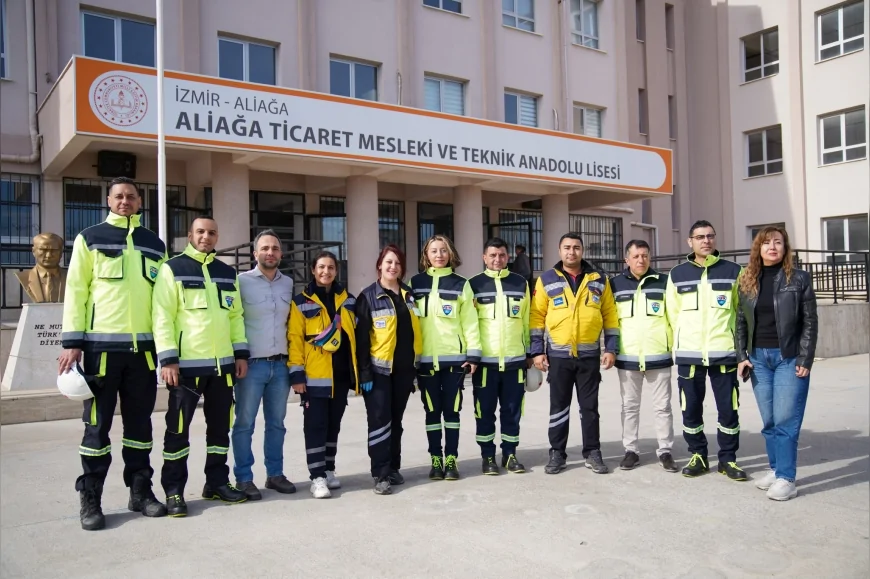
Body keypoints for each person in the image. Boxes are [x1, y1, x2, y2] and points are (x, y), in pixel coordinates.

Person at [59, 176, 168, 530]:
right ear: (109, 200)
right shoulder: (89, 238)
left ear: (140, 202)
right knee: (96, 428)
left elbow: (165, 303)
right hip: (101, 350)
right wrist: (72, 342)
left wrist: (167, 350)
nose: (125, 201)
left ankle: (140, 492)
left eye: (131, 197)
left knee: (140, 427)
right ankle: (91, 498)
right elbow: (76, 289)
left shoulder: (155, 244)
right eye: (119, 196)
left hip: (144, 354)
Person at [153, 216, 250, 516]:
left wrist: (240, 354)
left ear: (217, 236)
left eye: (211, 232)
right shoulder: (173, 268)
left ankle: (217, 484)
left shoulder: (226, 272)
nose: (206, 237)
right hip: (186, 369)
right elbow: (162, 316)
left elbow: (235, 317)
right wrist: (168, 359)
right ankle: (174, 491)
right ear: (190, 235)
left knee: (220, 430)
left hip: (223, 368)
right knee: (178, 432)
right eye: (200, 232)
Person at [736, 226, 817, 501]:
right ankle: (775, 468)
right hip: (758, 359)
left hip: (788, 358)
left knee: (785, 420)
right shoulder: (748, 279)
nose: (772, 247)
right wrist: (742, 356)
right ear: (758, 248)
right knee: (769, 420)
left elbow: (809, 322)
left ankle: (786, 478)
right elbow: (740, 321)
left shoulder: (799, 278)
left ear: (785, 248)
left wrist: (805, 358)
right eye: (767, 242)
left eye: (778, 242)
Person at [531, 232, 618, 475]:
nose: (572, 252)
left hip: (589, 356)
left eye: (576, 247)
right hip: (558, 356)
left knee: (589, 408)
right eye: (567, 247)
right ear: (559, 251)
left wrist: (610, 348)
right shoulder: (546, 279)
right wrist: (537, 351)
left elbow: (610, 314)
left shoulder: (599, 279)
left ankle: (593, 452)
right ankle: (557, 453)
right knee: (559, 407)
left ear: (582, 250)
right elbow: (536, 317)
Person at [666, 220, 746, 480]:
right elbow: (671, 314)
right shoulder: (677, 274)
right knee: (690, 409)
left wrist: (742, 352)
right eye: (700, 237)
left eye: (710, 236)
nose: (706, 241)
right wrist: (675, 348)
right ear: (690, 241)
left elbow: (741, 313)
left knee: (728, 409)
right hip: (689, 355)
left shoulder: (734, 271)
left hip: (724, 352)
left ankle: (728, 460)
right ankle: (698, 455)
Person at [288, 251, 360, 499]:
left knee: (333, 426)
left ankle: (329, 469)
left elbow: (356, 336)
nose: (325, 272)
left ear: (336, 271)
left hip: (340, 377)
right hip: (313, 378)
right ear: (313, 270)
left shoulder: (348, 300)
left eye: (330, 267)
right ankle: (316, 477)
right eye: (321, 267)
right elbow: (295, 340)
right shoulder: (300, 302)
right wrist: (296, 375)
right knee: (315, 427)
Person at [231, 230, 296, 500]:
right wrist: (238, 356)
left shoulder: (289, 283)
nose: (270, 252)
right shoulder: (240, 282)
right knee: (245, 423)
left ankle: (275, 474)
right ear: (254, 253)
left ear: (281, 254)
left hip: (280, 366)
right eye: (265, 248)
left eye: (275, 249)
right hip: (251, 366)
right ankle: (244, 478)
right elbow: (233, 320)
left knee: (277, 424)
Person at [410, 235, 481, 481]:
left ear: (450, 254)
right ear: (426, 255)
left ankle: (451, 459)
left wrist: (473, 355)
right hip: (426, 362)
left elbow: (471, 323)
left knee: (451, 412)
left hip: (455, 362)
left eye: (443, 250)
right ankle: (435, 459)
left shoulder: (461, 284)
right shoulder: (414, 283)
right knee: (432, 412)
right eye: (433, 251)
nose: (438, 255)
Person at [355, 244, 422, 495]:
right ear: (379, 265)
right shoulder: (368, 296)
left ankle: (394, 467)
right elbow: (362, 339)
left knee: (396, 422)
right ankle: (380, 473)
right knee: (379, 422)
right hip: (379, 372)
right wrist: (364, 373)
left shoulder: (409, 295)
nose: (393, 267)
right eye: (388, 262)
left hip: (404, 371)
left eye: (397, 263)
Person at [609, 240, 678, 472]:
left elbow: (674, 316)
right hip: (628, 357)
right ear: (626, 260)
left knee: (663, 407)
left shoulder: (663, 282)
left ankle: (665, 450)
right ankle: (631, 450)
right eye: (636, 256)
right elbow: (611, 321)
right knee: (629, 406)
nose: (641, 260)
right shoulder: (615, 285)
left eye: (645, 256)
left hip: (658, 355)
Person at [468, 238, 531, 475]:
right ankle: (487, 457)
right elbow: (469, 324)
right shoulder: (473, 284)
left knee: (512, 411)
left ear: (508, 257)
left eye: (502, 255)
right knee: (484, 412)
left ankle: (510, 454)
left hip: (515, 361)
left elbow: (526, 321)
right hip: (485, 364)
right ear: (484, 257)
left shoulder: (520, 283)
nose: (497, 259)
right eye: (493, 255)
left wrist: (529, 353)